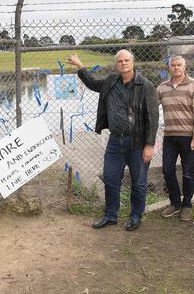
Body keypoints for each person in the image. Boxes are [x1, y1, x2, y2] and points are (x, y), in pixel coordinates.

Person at [67, 49, 159, 231]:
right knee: (110, 178)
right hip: (115, 141)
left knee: (139, 182)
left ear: (132, 62)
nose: (123, 63)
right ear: (116, 64)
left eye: (127, 60)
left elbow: (153, 118)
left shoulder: (146, 86)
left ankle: (135, 216)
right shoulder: (111, 80)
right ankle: (110, 215)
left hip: (138, 142)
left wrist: (149, 145)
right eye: (120, 61)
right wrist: (80, 66)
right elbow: (93, 84)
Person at [157, 55, 194, 221]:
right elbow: (150, 106)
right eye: (173, 65)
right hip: (169, 136)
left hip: (188, 137)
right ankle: (175, 203)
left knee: (188, 173)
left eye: (179, 65)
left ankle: (187, 205)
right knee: (167, 170)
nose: (176, 68)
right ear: (169, 68)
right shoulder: (162, 88)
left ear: (184, 67)